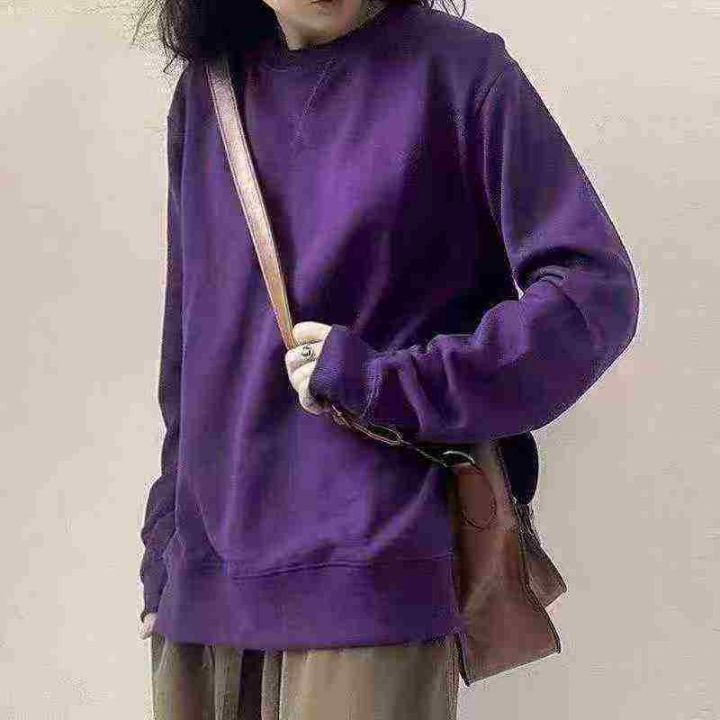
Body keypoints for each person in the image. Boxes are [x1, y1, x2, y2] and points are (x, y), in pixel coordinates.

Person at [135, 0, 640, 716]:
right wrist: (163, 550)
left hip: (369, 572)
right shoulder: (207, 91)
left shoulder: (458, 71)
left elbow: (593, 294)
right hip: (202, 589)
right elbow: (189, 349)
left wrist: (394, 384)